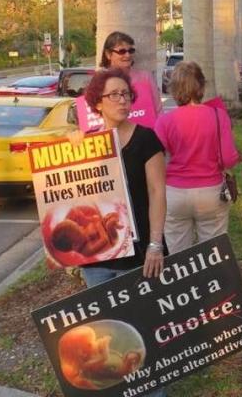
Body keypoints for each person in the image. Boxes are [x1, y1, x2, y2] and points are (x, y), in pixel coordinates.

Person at [76, 69, 166, 397]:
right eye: (114, 95)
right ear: (97, 103)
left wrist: (156, 244)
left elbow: (158, 193)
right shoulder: (85, 145)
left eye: (126, 94)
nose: (122, 100)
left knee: (143, 329)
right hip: (97, 259)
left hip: (142, 253)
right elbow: (76, 201)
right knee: (107, 333)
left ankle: (152, 391)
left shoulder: (146, 139)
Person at [154, 62, 239, 253]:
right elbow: (229, 159)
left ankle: (184, 284)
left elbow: (156, 159)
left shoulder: (165, 121)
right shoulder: (218, 115)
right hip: (211, 192)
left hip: (174, 193)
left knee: (178, 256)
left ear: (174, 88)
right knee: (213, 254)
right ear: (201, 86)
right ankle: (213, 282)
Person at [99, 31, 163, 122]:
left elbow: (159, 110)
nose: (127, 55)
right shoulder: (100, 81)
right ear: (108, 54)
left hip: (146, 134)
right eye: (122, 51)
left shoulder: (145, 77)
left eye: (131, 51)